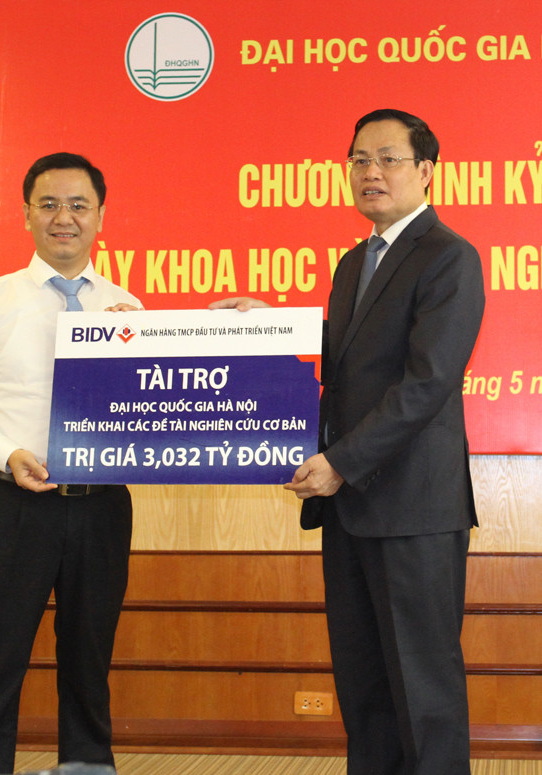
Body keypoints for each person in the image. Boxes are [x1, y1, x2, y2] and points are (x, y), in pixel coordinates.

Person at [213, 109, 485, 774]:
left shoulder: (448, 256)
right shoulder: (354, 261)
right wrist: (272, 328)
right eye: (360, 159)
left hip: (413, 509)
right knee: (365, 688)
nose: (372, 172)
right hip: (351, 508)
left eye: (389, 158)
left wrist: (339, 461)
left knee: (423, 688)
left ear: (426, 171)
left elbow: (426, 383)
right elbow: (347, 363)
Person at [0, 152, 142, 775]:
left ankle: (87, 767)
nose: (63, 217)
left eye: (78, 205)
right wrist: (8, 452)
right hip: (15, 508)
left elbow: (152, 409)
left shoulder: (127, 307)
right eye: (48, 204)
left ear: (101, 216)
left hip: (103, 508)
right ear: (26, 215)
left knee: (89, 668)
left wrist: (175, 341)